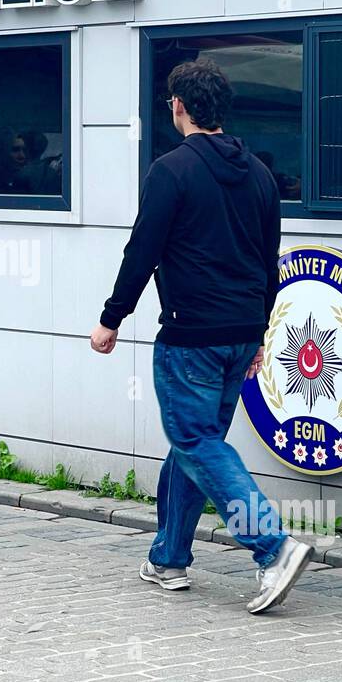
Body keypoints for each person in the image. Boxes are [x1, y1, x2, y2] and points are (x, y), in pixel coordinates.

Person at [91, 57, 311, 614]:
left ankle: (274, 547)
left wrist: (112, 318)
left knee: (196, 442)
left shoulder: (171, 170)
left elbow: (143, 250)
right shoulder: (261, 174)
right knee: (193, 444)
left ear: (179, 106)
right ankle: (168, 558)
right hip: (239, 334)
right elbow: (269, 264)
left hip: (192, 335)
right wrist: (259, 332)